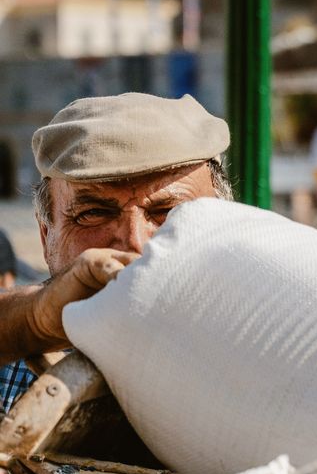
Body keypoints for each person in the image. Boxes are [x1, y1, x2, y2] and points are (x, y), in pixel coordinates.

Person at [0, 92, 232, 414]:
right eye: (93, 214)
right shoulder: (11, 362)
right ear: (46, 236)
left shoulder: (270, 349)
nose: (135, 243)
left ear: (228, 224)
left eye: (170, 212)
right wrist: (35, 319)